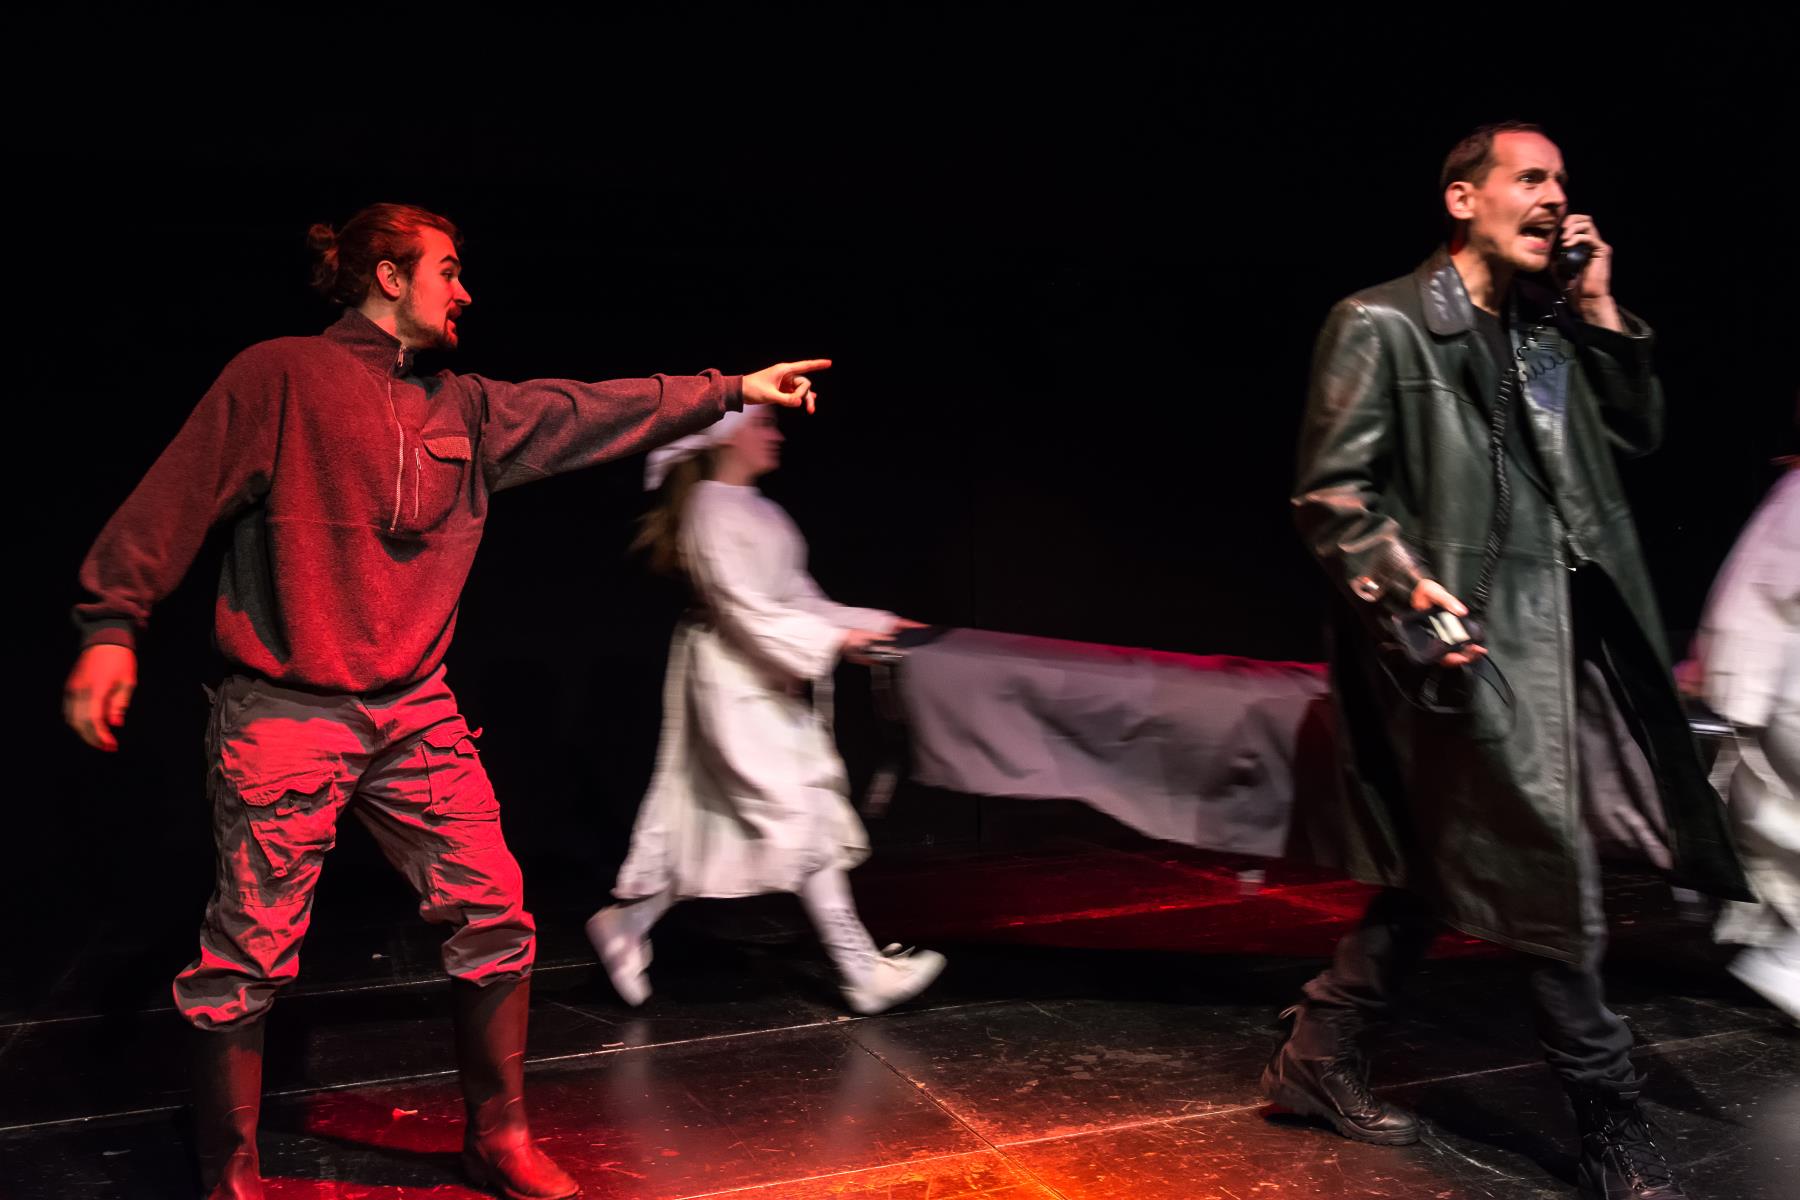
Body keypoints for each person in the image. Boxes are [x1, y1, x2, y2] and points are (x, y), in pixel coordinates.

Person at [62, 202, 829, 1200]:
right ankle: (230, 1172)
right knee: (247, 952)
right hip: (289, 710)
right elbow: (168, 503)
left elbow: (590, 408)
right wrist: (110, 627)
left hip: (414, 711)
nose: (465, 291)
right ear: (389, 277)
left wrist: (730, 389)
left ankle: (496, 1138)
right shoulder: (279, 377)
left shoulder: (465, 408)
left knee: (496, 918)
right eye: (449, 271)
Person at [1268, 124, 1751, 1200]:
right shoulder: (1380, 323)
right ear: (1461, 198)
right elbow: (1332, 495)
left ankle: (1318, 1049)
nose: (1555, 197)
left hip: (1551, 638)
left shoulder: (1546, 333)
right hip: (1448, 647)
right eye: (1531, 178)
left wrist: (1599, 308)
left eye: (1563, 183)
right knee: (1547, 863)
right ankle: (1609, 1115)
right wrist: (1402, 586)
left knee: (1449, 861)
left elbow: (1636, 431)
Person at [585, 405, 946, 1015]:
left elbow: (800, 601)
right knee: (798, 814)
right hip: (733, 686)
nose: (775, 435)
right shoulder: (707, 510)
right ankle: (861, 972)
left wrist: (879, 626)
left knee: (730, 823)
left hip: (767, 684)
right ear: (726, 437)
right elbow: (745, 611)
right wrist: (838, 641)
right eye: (763, 424)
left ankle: (627, 923)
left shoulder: (762, 511)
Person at [1690, 455, 1799, 1021]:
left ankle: (1788, 961)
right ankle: (1788, 965)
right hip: (1786, 694)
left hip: (1779, 692)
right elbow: (1752, 593)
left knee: (1780, 834)